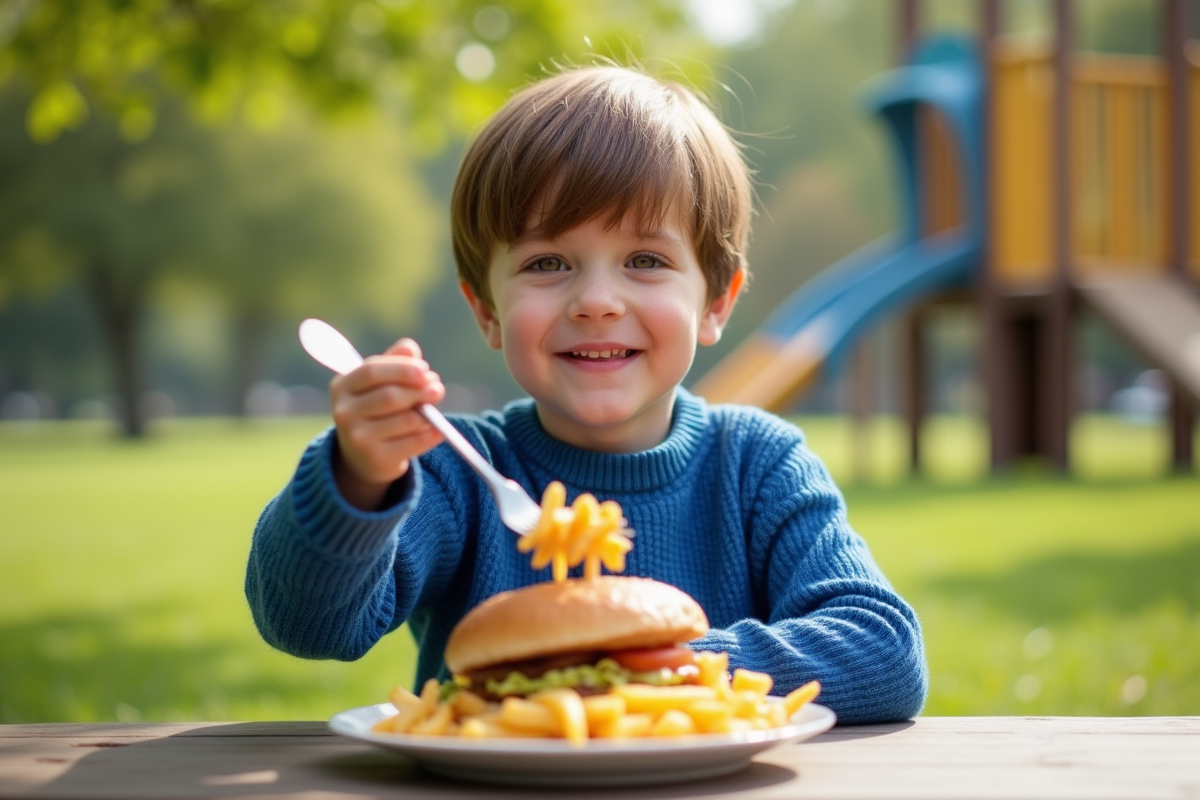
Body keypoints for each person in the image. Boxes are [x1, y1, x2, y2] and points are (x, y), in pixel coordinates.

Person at [246, 65, 927, 724]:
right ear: (486, 310)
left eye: (645, 261)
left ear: (716, 301)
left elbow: (885, 653)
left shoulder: (759, 465)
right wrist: (359, 477)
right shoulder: (450, 471)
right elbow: (309, 626)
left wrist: (654, 665)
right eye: (547, 263)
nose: (597, 301)